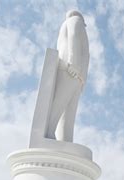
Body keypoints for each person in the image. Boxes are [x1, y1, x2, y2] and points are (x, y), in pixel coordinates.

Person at [46, 10, 89, 142]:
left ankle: (65, 140)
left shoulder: (67, 24)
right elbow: (74, 36)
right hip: (72, 69)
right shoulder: (75, 20)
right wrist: (73, 62)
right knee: (60, 102)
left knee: (68, 111)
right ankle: (48, 132)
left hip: (76, 74)